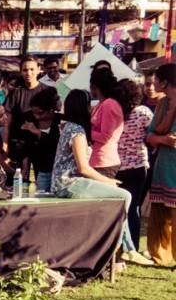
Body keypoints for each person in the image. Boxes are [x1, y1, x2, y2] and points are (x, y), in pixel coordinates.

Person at [51, 89, 153, 266]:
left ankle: (126, 248)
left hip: (69, 181)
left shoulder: (71, 127)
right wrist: (108, 181)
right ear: (83, 107)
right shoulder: (77, 131)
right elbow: (83, 168)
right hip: (68, 183)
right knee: (124, 196)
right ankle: (125, 248)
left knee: (118, 198)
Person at [145, 63, 176, 265]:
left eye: (156, 80)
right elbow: (150, 134)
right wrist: (163, 140)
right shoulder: (164, 104)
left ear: (164, 82)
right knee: (160, 213)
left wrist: (160, 138)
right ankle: (160, 254)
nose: (154, 84)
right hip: (163, 163)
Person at [115, 79, 153, 245]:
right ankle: (134, 246)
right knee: (134, 207)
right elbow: (152, 134)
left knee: (120, 207)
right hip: (138, 165)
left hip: (116, 166)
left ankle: (121, 245)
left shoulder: (115, 112)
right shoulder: (144, 112)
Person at [3, 56, 52, 183]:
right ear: (20, 72)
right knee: (16, 184)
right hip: (18, 144)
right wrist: (5, 145)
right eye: (25, 70)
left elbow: (53, 120)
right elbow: (6, 123)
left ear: (39, 70)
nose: (29, 73)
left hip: (40, 144)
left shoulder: (47, 91)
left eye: (32, 69)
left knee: (43, 182)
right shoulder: (15, 93)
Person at [88, 68, 129, 180]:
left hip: (104, 162)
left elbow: (105, 136)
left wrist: (86, 131)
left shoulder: (109, 104)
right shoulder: (101, 103)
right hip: (96, 159)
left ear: (95, 87)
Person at [20, 87, 62, 192]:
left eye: (41, 113)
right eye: (34, 113)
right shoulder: (30, 120)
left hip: (58, 170)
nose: (37, 116)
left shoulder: (60, 121)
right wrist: (25, 168)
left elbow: (57, 144)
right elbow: (27, 147)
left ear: (51, 109)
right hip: (39, 170)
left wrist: (39, 133)